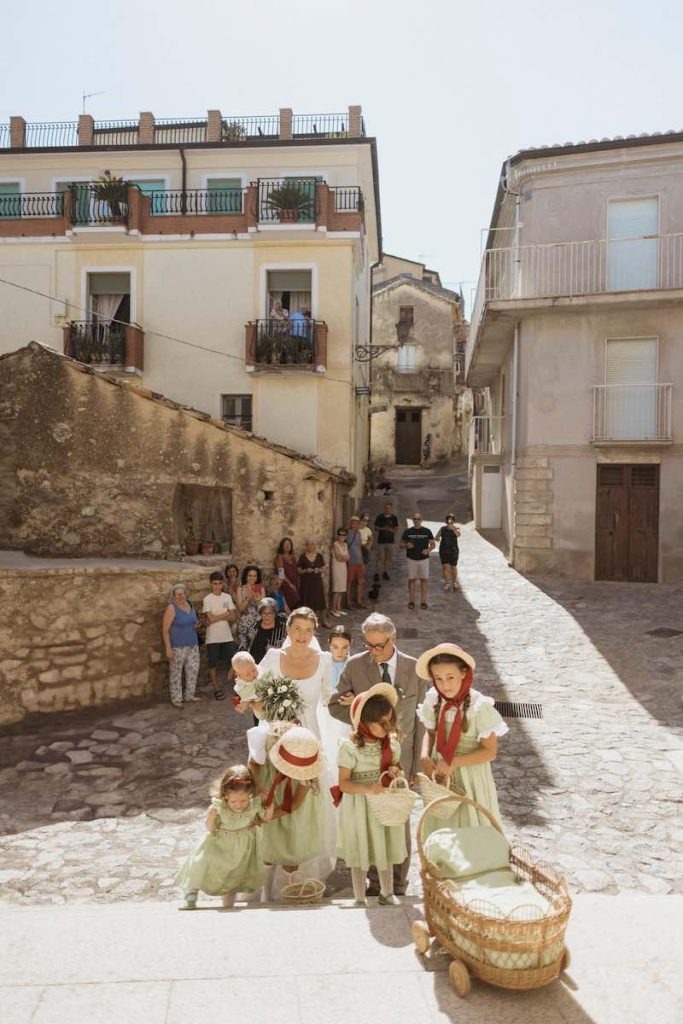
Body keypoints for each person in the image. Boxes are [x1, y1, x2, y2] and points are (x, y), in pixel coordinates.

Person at [327, 612, 425, 896]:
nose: (372, 651)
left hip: (400, 759)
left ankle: (398, 884)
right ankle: (374, 884)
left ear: (393, 639)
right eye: (368, 645)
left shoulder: (414, 668)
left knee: (398, 820)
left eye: (378, 646)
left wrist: (417, 765)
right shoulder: (355, 665)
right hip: (365, 760)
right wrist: (358, 714)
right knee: (371, 822)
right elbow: (334, 706)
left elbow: (420, 720)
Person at [416, 643, 507, 834]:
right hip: (440, 774)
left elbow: (490, 752)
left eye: (450, 677)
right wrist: (424, 755)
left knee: (470, 829)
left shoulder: (479, 707)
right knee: (442, 827)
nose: (444, 685)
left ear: (464, 673)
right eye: (438, 679)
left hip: (470, 777)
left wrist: (454, 761)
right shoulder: (434, 699)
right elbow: (430, 733)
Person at [334, 685, 406, 906]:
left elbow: (397, 768)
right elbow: (344, 784)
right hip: (359, 806)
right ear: (365, 722)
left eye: (389, 721)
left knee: (384, 844)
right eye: (381, 723)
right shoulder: (350, 748)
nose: (387, 727)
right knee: (360, 847)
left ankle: (387, 893)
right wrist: (367, 788)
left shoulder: (390, 744)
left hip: (382, 805)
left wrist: (396, 772)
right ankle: (359, 897)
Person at [174, 764, 272, 909]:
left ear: (250, 794)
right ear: (225, 795)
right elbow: (211, 828)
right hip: (220, 843)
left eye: (243, 801)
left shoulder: (254, 804)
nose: (239, 805)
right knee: (201, 864)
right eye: (233, 801)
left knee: (233, 874)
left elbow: (266, 818)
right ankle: (191, 892)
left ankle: (228, 904)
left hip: (242, 846)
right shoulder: (219, 807)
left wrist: (270, 805)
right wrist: (211, 816)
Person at [248, 723, 326, 901]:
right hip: (269, 795)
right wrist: (258, 788)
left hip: (293, 811)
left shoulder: (307, 766)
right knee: (268, 847)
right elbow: (253, 763)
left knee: (292, 848)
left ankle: (288, 891)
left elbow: (295, 804)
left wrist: (266, 818)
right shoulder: (266, 740)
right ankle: (266, 895)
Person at [161, 583, 201, 708]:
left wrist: (197, 624)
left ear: (186, 594)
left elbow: (194, 621)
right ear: (173, 596)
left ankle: (189, 695)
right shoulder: (171, 608)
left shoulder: (190, 605)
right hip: (177, 646)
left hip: (193, 644)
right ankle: (176, 699)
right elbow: (165, 630)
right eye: (178, 594)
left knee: (193, 670)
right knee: (176, 673)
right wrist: (168, 648)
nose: (180, 596)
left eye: (182, 594)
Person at [202, 571, 237, 701]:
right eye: (215, 583)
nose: (217, 586)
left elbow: (232, 616)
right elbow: (210, 619)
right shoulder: (207, 599)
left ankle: (239, 687)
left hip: (227, 636)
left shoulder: (226, 598)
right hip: (212, 637)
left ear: (223, 584)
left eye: (220, 583)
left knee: (233, 662)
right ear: (211, 584)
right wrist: (224, 615)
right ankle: (216, 688)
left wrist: (216, 617)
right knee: (213, 664)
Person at [400, 513, 435, 610]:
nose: (416, 520)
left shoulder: (427, 531)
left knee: (424, 580)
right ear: (412, 520)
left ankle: (423, 601)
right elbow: (401, 544)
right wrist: (406, 545)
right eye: (415, 519)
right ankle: (411, 601)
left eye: (418, 519)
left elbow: (433, 544)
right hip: (411, 559)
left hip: (424, 559)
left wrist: (428, 550)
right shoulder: (408, 531)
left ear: (421, 520)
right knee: (412, 580)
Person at [297, 538, 333, 628]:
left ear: (315, 545)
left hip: (317, 582)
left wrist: (319, 570)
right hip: (306, 583)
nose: (311, 546)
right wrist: (306, 570)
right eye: (309, 544)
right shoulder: (302, 557)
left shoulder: (319, 556)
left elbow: (324, 568)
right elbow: (299, 570)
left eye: (312, 544)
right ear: (306, 546)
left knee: (320, 601)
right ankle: (309, 622)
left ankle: (324, 620)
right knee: (307, 601)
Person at [246, 598, 288, 664]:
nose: (267, 616)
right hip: (253, 665)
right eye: (264, 613)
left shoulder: (283, 629)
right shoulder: (254, 627)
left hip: (275, 665)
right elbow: (244, 646)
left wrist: (275, 650)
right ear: (261, 613)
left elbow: (289, 649)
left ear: (275, 614)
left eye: (270, 613)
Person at [235, 566, 266, 650]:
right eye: (250, 575)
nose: (252, 578)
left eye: (255, 576)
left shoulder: (261, 589)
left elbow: (263, 608)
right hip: (245, 623)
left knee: (258, 648)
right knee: (245, 649)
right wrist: (248, 598)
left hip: (258, 623)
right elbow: (240, 608)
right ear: (246, 576)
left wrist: (257, 599)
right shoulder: (240, 589)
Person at [435, 514, 461, 591]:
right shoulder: (442, 529)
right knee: (445, 567)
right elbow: (436, 537)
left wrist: (453, 529)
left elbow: (458, 535)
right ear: (446, 521)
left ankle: (455, 582)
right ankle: (446, 583)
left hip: (453, 550)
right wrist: (438, 539)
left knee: (453, 566)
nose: (450, 521)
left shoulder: (456, 528)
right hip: (444, 550)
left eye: (451, 519)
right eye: (449, 519)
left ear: (453, 521)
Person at [373, 502, 399, 581]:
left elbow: (396, 528)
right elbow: (375, 527)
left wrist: (393, 530)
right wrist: (383, 529)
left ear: (391, 509)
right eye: (386, 508)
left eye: (389, 508)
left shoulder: (394, 518)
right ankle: (377, 573)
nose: (387, 509)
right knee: (380, 558)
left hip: (390, 541)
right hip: (381, 541)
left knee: (388, 559)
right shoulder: (380, 517)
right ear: (384, 509)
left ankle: (385, 572)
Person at [231, 652, 261, 719]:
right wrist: (242, 707)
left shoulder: (258, 669)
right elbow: (246, 700)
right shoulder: (243, 687)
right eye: (248, 674)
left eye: (254, 670)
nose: (252, 674)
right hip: (261, 711)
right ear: (239, 675)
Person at [345, 515, 366, 610]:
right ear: (351, 523)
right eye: (353, 522)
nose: (355, 524)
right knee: (349, 582)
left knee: (361, 581)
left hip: (358, 561)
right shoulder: (347, 533)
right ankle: (348, 602)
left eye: (357, 523)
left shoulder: (358, 534)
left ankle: (359, 601)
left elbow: (359, 547)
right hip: (351, 561)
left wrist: (362, 562)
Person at [273, 538, 300, 610]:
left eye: (289, 544)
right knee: (293, 598)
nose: (287, 546)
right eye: (285, 544)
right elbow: (281, 574)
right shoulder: (279, 557)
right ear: (282, 546)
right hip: (285, 583)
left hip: (294, 582)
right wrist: (290, 584)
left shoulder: (293, 557)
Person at [330, 527, 349, 616]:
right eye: (340, 534)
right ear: (338, 535)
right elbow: (338, 557)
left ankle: (338, 608)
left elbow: (348, 557)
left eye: (343, 535)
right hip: (337, 568)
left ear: (346, 536)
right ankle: (333, 609)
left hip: (343, 568)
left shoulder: (345, 545)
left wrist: (343, 557)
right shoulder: (335, 544)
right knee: (337, 589)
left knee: (342, 589)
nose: (341, 536)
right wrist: (344, 557)